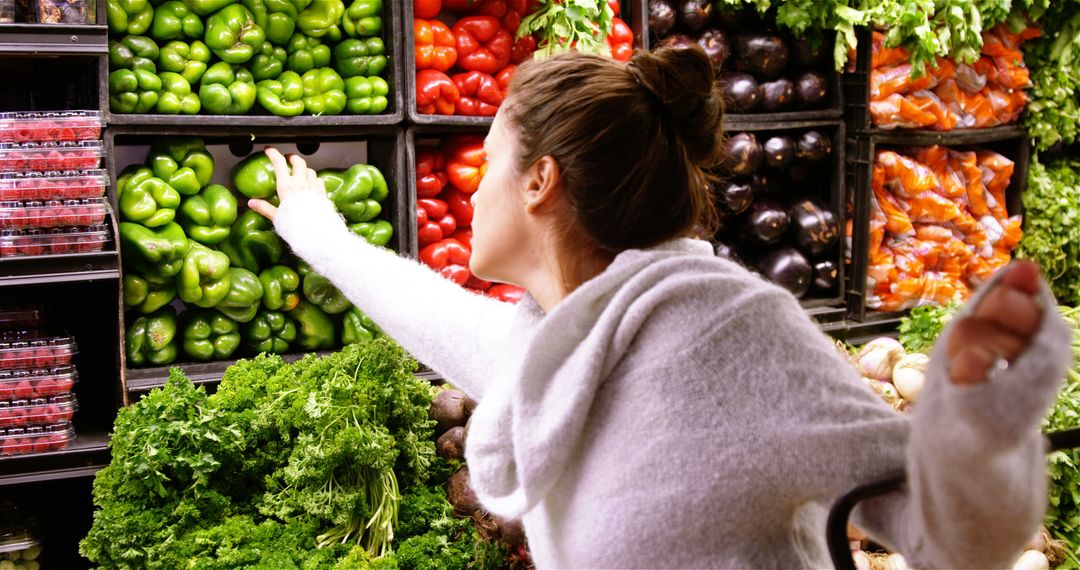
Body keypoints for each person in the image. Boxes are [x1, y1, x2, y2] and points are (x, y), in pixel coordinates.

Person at [248, 47, 1072, 569]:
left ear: (539, 183)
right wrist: (319, 238)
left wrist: (980, 422)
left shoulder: (732, 339)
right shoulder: (566, 344)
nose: (475, 190)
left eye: (489, 161)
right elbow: (441, 320)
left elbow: (961, 535)